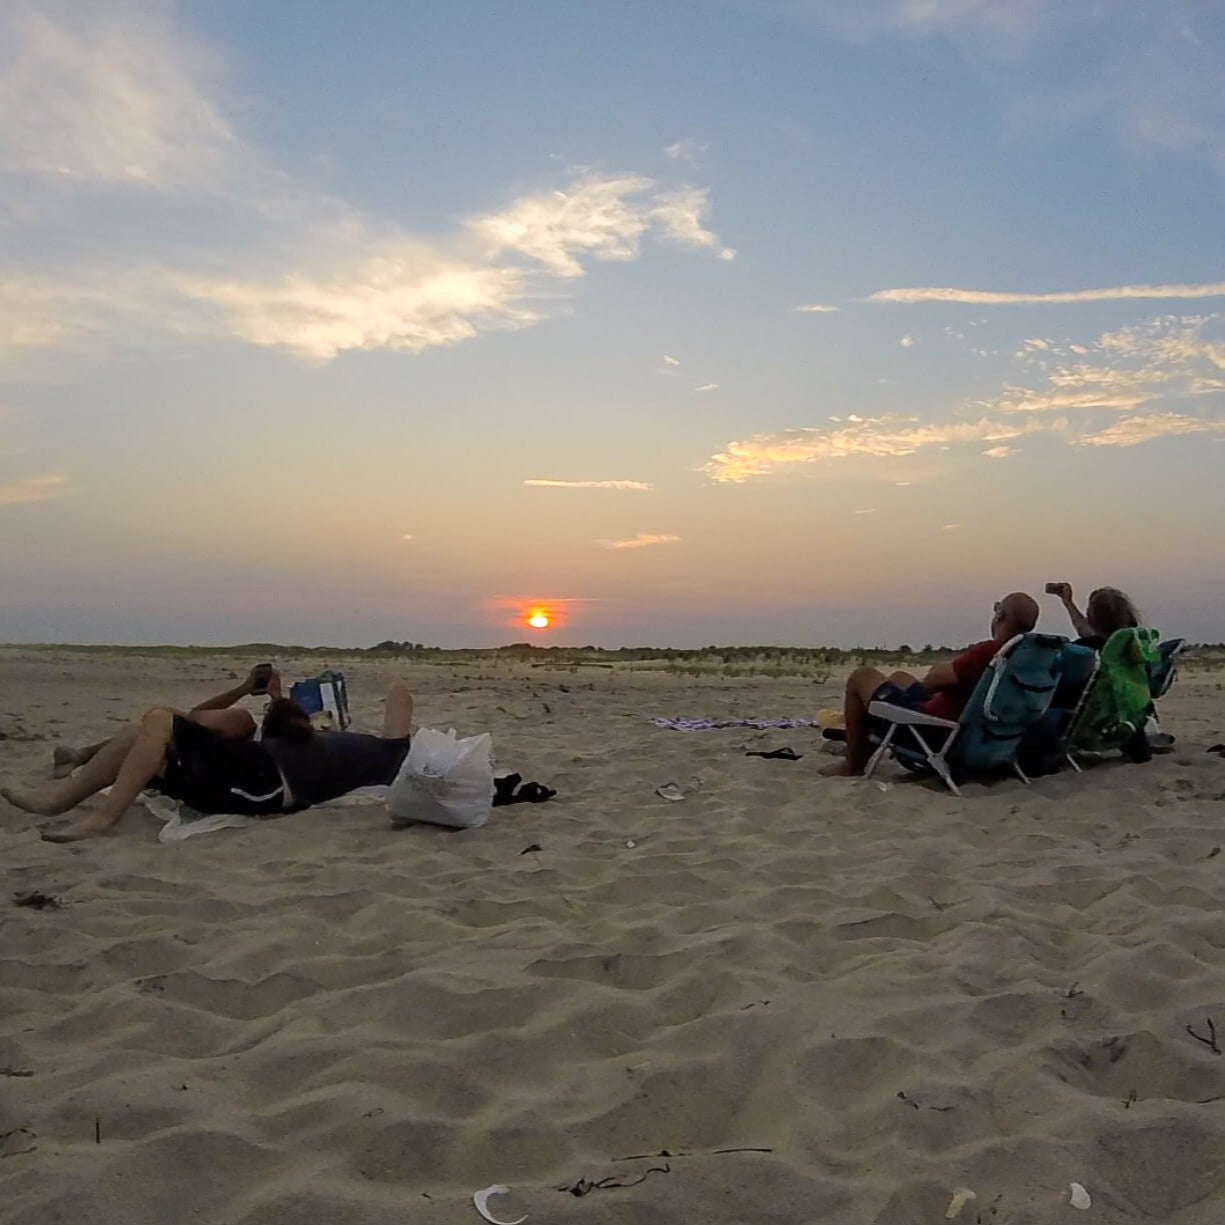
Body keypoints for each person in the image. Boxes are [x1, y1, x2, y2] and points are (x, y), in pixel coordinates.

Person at [2, 669, 415, 842]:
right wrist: (274, 700)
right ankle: (56, 800)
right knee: (138, 730)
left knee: (161, 719)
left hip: (265, 783)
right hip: (245, 768)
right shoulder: (300, 738)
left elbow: (399, 694)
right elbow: (200, 721)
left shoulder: (390, 753)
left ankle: (103, 816)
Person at [820, 592, 1040, 778]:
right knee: (899, 677)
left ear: (1000, 615)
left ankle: (852, 765)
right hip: (978, 734)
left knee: (861, 676)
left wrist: (933, 681)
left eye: (996, 608)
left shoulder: (991, 651)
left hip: (934, 732)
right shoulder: (1026, 659)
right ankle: (862, 746)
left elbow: (936, 680)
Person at [1045, 582, 1139, 649]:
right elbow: (1083, 628)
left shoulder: (1084, 649)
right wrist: (1068, 602)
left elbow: (1087, 632)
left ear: (1092, 620)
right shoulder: (1137, 643)